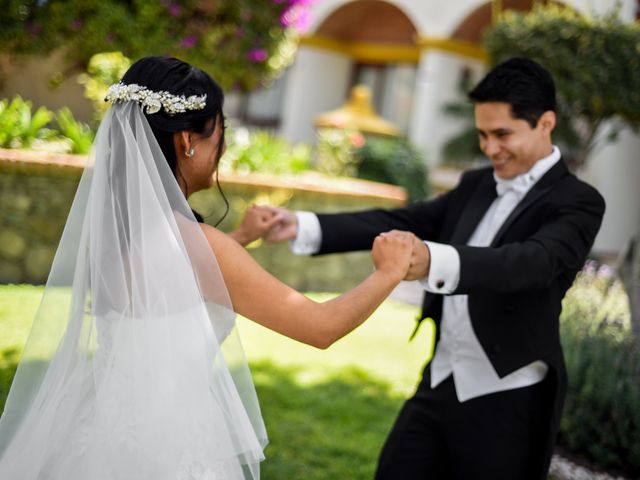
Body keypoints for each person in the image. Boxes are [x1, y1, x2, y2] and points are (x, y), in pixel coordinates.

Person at [0, 56, 414, 480]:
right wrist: (389, 272)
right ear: (187, 141)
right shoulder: (200, 246)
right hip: (172, 452)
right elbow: (319, 326)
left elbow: (168, 287)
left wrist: (239, 240)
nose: (224, 146)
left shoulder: (118, 231)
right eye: (220, 130)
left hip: (101, 437)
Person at [239, 58, 606, 479]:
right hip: (440, 380)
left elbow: (530, 264)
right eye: (483, 135)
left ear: (545, 123)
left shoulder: (579, 201)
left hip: (509, 395)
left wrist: (430, 260)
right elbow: (407, 221)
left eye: (503, 134)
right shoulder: (476, 184)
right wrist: (303, 224)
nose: (490, 148)